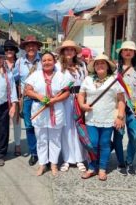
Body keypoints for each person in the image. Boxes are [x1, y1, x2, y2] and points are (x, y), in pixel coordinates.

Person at [78, 54, 125, 181]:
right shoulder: (88, 79)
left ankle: (102, 168)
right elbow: (81, 94)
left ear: (108, 66)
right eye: (97, 63)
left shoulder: (115, 80)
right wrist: (82, 105)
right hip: (91, 118)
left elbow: (121, 100)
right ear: (94, 66)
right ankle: (93, 167)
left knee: (104, 144)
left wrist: (120, 117)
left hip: (108, 118)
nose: (100, 65)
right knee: (92, 143)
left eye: (102, 63)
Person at [25, 52, 69, 176]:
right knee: (41, 139)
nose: (47, 62)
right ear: (41, 62)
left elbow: (66, 93)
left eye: (49, 60)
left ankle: (54, 164)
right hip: (40, 110)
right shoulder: (36, 75)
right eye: (44, 60)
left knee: (55, 139)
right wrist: (39, 96)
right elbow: (27, 90)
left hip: (56, 110)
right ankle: (42, 164)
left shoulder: (61, 76)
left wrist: (55, 100)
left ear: (54, 61)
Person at [112, 41, 136, 175]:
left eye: (131, 50)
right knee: (118, 135)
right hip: (119, 108)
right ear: (121, 53)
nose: (128, 52)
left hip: (134, 108)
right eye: (125, 50)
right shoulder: (114, 68)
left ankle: (130, 162)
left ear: (134, 53)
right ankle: (121, 162)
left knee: (134, 136)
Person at [55, 40, 87, 172]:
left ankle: (80, 158)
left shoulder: (82, 65)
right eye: (66, 49)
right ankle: (67, 159)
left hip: (79, 98)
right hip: (65, 99)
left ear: (75, 52)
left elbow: (86, 82)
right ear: (62, 52)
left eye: (71, 49)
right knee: (66, 128)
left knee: (79, 127)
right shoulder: (57, 66)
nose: (69, 51)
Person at [14, 35, 43, 166]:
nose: (31, 47)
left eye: (33, 45)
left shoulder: (44, 60)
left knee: (42, 125)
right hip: (26, 99)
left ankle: (44, 153)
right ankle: (34, 153)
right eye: (28, 45)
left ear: (37, 46)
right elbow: (13, 78)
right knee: (29, 127)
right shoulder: (19, 62)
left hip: (41, 98)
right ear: (25, 48)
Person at [4, 39, 22, 156]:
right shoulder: (0, 62)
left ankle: (18, 144)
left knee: (16, 121)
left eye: (11, 49)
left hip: (16, 93)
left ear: (15, 51)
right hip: (3, 95)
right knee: (3, 122)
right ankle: (3, 145)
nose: (9, 51)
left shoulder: (19, 63)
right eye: (6, 49)